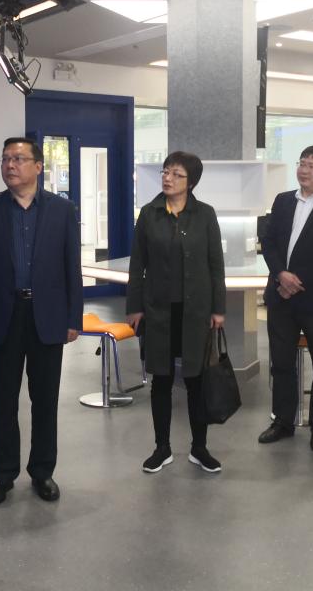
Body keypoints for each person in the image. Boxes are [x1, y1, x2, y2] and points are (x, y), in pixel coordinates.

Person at [0, 137, 82, 506]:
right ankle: (2, 475)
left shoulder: (62, 210)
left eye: (18, 158)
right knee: (4, 401)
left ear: (38, 166)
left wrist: (73, 317)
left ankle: (43, 471)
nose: (10, 165)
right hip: (4, 316)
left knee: (45, 400)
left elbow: (72, 268)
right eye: (5, 159)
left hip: (47, 315)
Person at [127, 151, 227, 474]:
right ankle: (162, 447)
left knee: (196, 379)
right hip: (158, 311)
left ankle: (200, 448)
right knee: (162, 379)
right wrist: (134, 306)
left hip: (196, 311)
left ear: (191, 182)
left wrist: (219, 308)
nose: (168, 178)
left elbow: (216, 265)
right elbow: (137, 264)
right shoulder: (149, 214)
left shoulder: (205, 214)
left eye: (176, 174)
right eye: (165, 172)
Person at [258, 145, 313, 453]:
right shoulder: (283, 200)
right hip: (280, 297)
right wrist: (281, 274)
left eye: (312, 165)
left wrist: (296, 282)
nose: (304, 170)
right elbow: (269, 241)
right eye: (302, 163)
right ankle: (283, 421)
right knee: (281, 363)